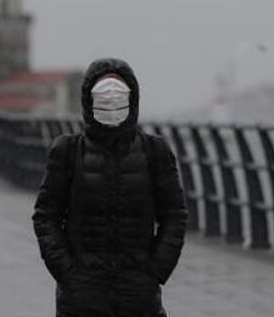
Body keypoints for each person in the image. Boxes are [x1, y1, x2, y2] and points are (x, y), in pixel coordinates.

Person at [32, 57, 189, 317]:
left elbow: (174, 216)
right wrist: (68, 273)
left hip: (139, 292)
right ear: (88, 100)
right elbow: (46, 217)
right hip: (81, 294)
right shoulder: (67, 151)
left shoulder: (155, 151)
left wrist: (155, 271)